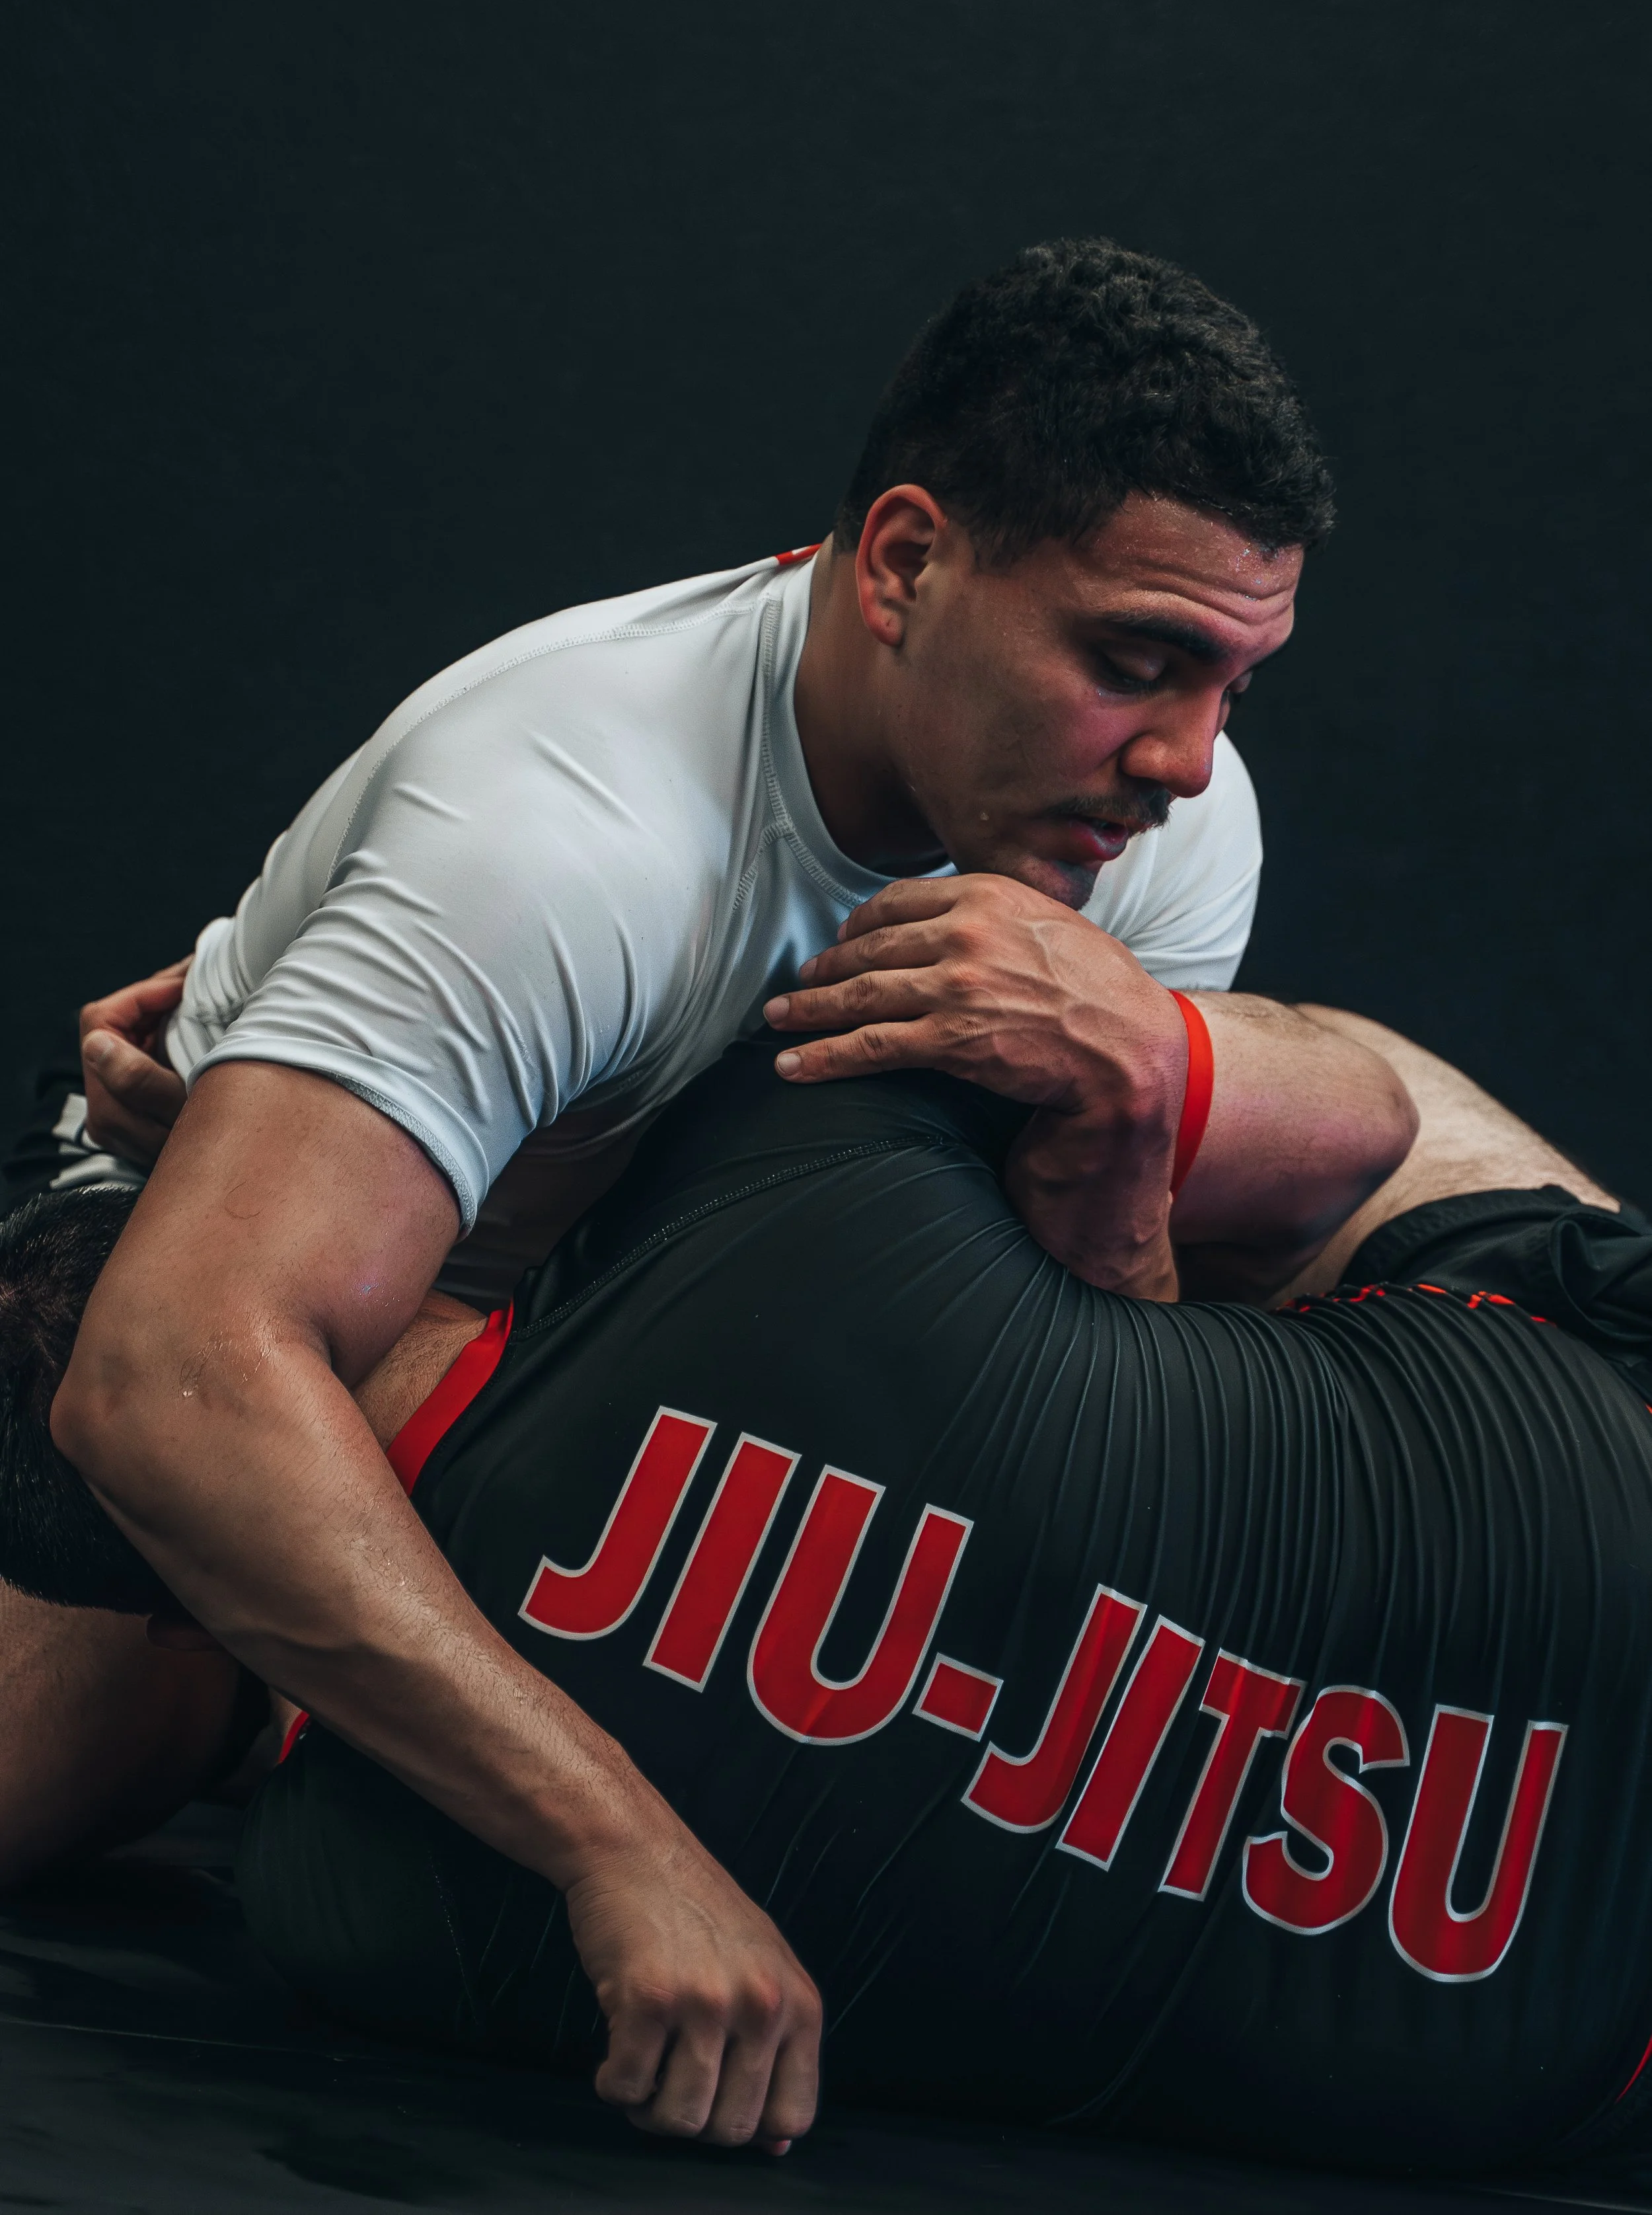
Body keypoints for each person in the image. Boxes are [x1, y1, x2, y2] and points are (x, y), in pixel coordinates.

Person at [46, 237, 1334, 2141]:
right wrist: (616, 1844)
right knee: (122, 1697)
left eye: (1231, 677)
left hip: (619, 1363)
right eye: (1130, 663)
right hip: (238, 1313)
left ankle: (334, 1662)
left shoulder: (1149, 822)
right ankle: (261, 1667)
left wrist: (1137, 1115)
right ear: (901, 565)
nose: (1183, 756)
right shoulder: (565, 825)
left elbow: (1035, 1408)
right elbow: (169, 1375)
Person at [8, 1013, 1651, 2169]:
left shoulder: (362, 1923)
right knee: (1286, 1091)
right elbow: (1350, 1111)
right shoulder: (784, 1149)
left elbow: (239, 1575)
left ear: (170, 1633)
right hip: (1605, 1491)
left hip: (1562, 2055)